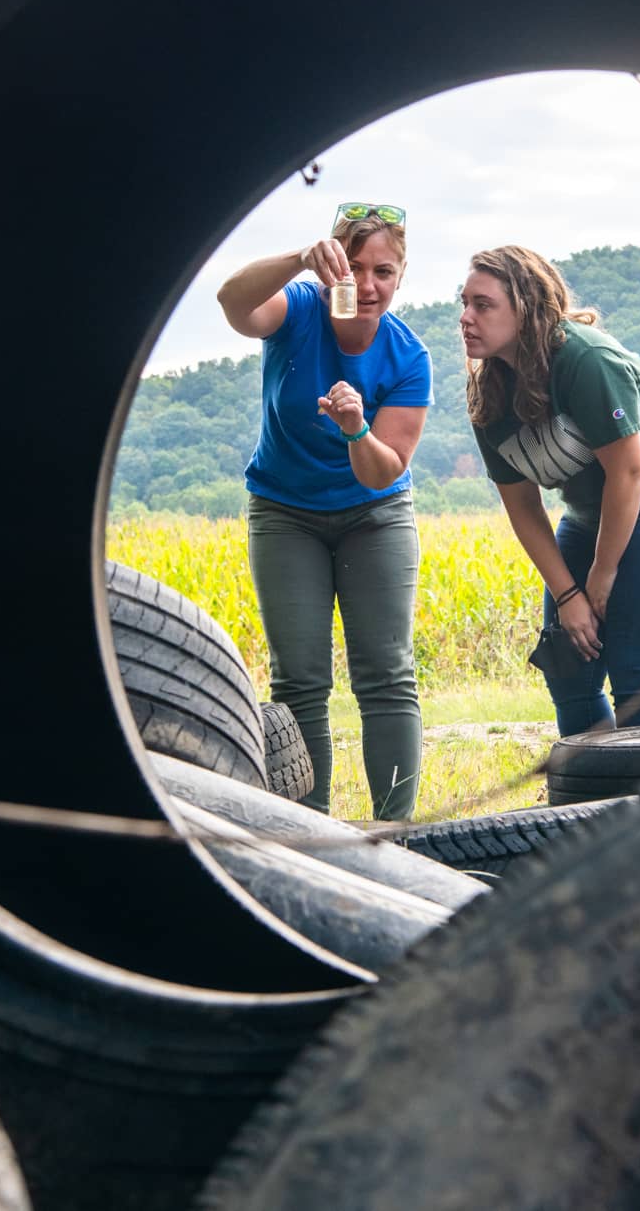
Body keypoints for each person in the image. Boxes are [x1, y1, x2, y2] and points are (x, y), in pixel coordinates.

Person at [217, 203, 430, 820]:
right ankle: (310, 833)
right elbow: (234, 304)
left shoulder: (407, 357)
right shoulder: (301, 307)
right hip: (285, 512)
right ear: (332, 266)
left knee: (386, 674)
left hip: (376, 514)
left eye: (383, 272)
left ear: (401, 275)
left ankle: (397, 832)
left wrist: (356, 428)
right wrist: (297, 260)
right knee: (300, 681)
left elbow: (381, 469)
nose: (367, 286)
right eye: (354, 268)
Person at [460, 245, 640, 736]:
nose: (466, 318)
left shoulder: (585, 358)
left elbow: (630, 472)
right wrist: (568, 594)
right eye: (464, 303)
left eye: (483, 304)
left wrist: (601, 575)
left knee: (635, 672)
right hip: (587, 517)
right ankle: (586, 805)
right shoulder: (488, 394)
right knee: (568, 669)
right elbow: (523, 508)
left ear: (526, 307)